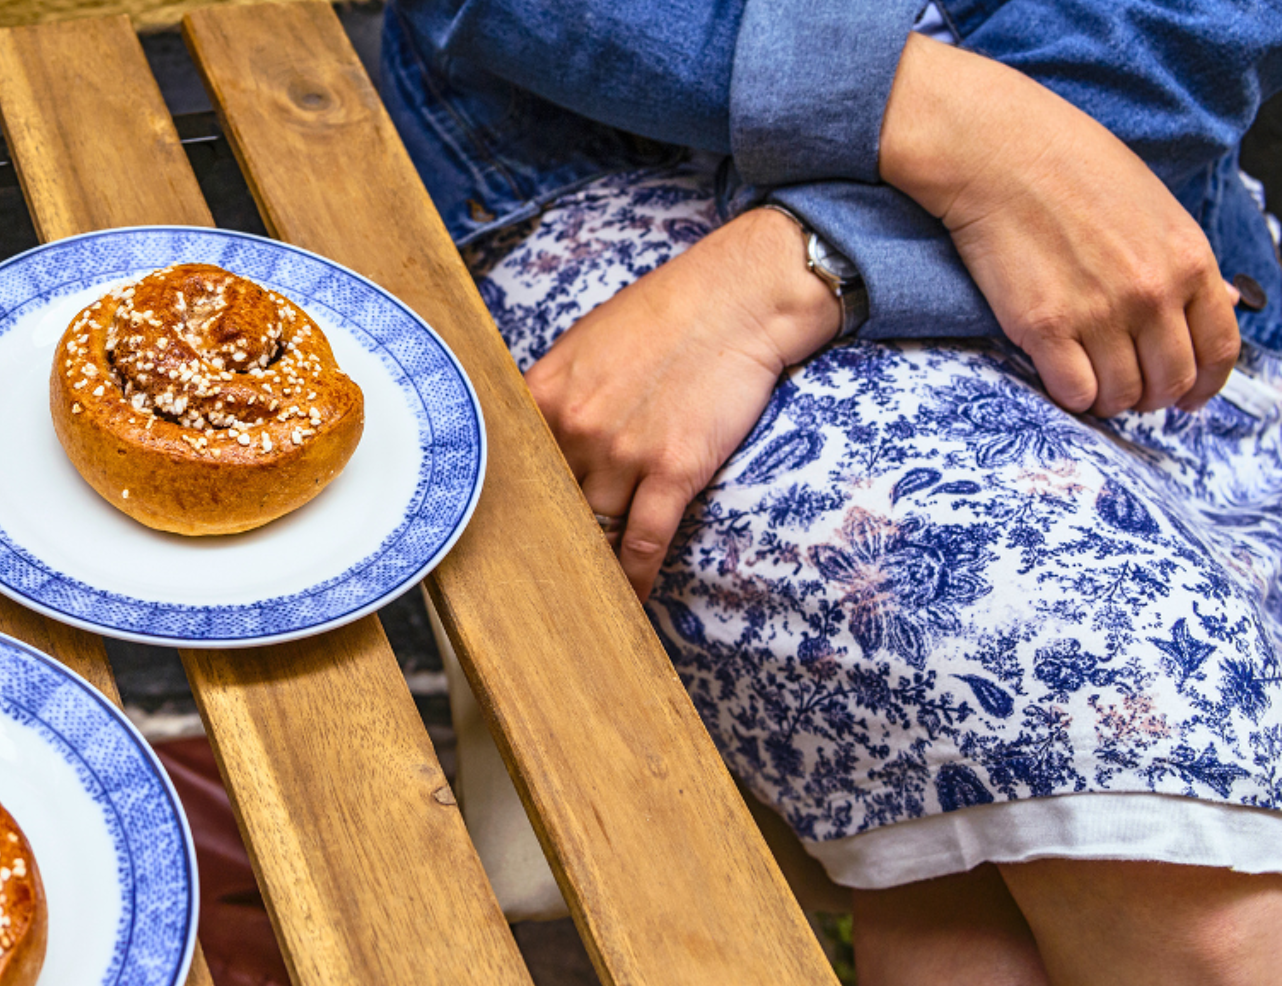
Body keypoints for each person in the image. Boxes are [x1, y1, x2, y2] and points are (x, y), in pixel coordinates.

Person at [378, 2, 1282, 983]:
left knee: (967, 915)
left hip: (1114, 160)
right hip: (617, 175)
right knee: (1196, 900)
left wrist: (802, 261)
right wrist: (919, 103)